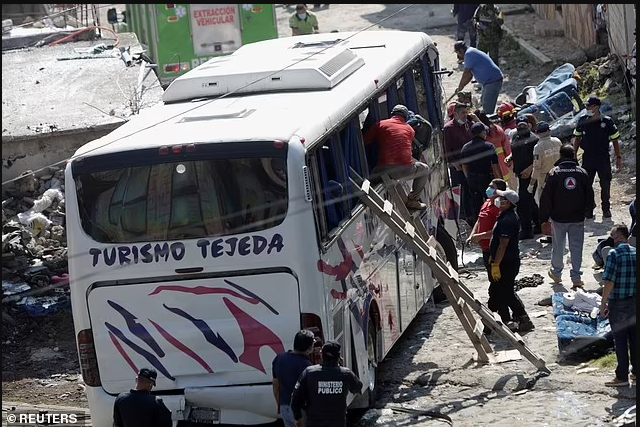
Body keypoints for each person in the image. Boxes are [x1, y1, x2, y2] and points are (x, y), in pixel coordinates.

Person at [539, 144, 594, 288]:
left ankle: (556, 274)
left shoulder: (554, 173)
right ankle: (576, 278)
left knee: (558, 246)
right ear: (573, 155)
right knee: (577, 247)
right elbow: (590, 194)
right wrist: (588, 212)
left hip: (558, 218)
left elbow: (546, 198)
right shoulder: (582, 172)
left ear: (561, 155)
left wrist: (543, 218)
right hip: (577, 217)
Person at [364, 104, 429, 211]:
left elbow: (365, 141)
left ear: (392, 114)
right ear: (405, 117)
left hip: (384, 170)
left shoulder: (380, 124)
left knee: (369, 178)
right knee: (424, 168)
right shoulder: (410, 130)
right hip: (406, 170)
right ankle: (413, 200)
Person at [466, 178, 510, 331]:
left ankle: (497, 318)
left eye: (492, 187)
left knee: (496, 286)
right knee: (495, 284)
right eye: (489, 186)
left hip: (494, 251)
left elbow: (497, 232)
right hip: (485, 251)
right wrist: (472, 234)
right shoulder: (486, 203)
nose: (488, 189)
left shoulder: (499, 208)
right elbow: (479, 220)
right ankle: (501, 317)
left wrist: (479, 236)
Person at [489, 189, 535, 332]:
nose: (498, 200)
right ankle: (496, 319)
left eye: (502, 198)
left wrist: (496, 264)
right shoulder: (504, 216)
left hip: (507, 263)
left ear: (508, 203)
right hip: (503, 261)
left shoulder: (508, 220)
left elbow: (503, 245)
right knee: (497, 291)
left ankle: (523, 319)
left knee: (506, 292)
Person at [290, 341, 363, 427]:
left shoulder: (309, 372)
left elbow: (295, 399)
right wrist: (342, 369)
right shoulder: (346, 374)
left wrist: (297, 418)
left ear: (321, 355)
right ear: (339, 357)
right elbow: (358, 387)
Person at [573, 96, 622, 219]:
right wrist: (574, 155)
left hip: (603, 157)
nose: (587, 108)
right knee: (586, 184)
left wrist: (618, 158)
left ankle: (606, 208)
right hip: (588, 157)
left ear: (596, 107)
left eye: (589, 106)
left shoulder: (607, 121)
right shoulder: (582, 120)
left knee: (605, 183)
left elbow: (615, 140)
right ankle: (589, 208)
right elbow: (577, 138)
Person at [600, 224, 636, 387]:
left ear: (619, 237)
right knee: (635, 339)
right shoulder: (636, 252)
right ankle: (636, 372)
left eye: (613, 236)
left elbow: (609, 282)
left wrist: (603, 303)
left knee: (620, 340)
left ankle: (622, 376)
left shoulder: (614, 254)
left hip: (618, 303)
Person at [459, 122, 503, 224]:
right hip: (487, 180)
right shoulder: (489, 146)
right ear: (482, 133)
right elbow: (495, 166)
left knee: (476, 205)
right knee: (492, 201)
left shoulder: (465, 147)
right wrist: (501, 181)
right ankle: (495, 223)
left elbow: (464, 166)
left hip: (473, 180)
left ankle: (480, 225)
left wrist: (469, 178)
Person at [272, 330, 316, 427]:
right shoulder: (307, 366)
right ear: (309, 348)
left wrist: (280, 406)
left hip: (284, 408)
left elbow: (276, 385)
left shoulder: (279, 358)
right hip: (300, 412)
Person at [508, 117, 541, 240]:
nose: (521, 127)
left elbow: (538, 158)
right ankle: (538, 224)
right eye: (519, 125)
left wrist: (530, 169)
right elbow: (516, 150)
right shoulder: (516, 137)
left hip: (531, 175)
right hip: (521, 175)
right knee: (529, 201)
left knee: (523, 203)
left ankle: (527, 230)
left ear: (528, 125)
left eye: (524, 125)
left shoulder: (534, 139)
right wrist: (511, 158)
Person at [443, 102, 476, 224]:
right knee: (461, 192)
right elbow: (447, 149)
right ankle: (462, 215)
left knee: (471, 191)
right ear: (455, 113)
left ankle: (472, 214)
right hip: (458, 167)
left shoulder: (470, 125)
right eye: (462, 113)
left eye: (466, 113)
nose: (465, 115)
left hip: (471, 165)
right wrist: (454, 164)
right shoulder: (448, 128)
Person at [453, 41, 504, 117]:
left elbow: (466, 73)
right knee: (483, 104)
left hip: (492, 81)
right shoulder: (470, 51)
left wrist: (460, 86)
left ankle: (490, 125)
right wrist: (462, 86)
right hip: (489, 82)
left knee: (487, 111)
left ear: (461, 51)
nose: (458, 55)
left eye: (457, 53)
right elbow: (470, 75)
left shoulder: (469, 54)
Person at [475, 109, 514, 188]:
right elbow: (507, 147)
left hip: (491, 169)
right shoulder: (497, 129)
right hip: (504, 166)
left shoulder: (482, 134)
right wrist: (510, 160)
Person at [529, 121, 562, 205]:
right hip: (559, 174)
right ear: (549, 131)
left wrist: (531, 184)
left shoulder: (538, 147)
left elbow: (537, 167)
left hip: (544, 178)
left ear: (537, 133)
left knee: (543, 203)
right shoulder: (557, 141)